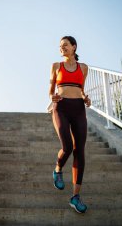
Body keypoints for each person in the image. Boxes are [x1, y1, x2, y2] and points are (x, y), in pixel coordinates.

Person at [48, 36, 91, 213]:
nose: (62, 48)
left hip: (79, 109)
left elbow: (81, 90)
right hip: (62, 107)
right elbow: (51, 90)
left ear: (74, 47)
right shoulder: (56, 66)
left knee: (79, 150)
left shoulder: (84, 68)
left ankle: (75, 196)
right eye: (60, 46)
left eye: (65, 45)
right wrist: (52, 96)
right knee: (66, 147)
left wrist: (85, 98)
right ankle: (58, 170)